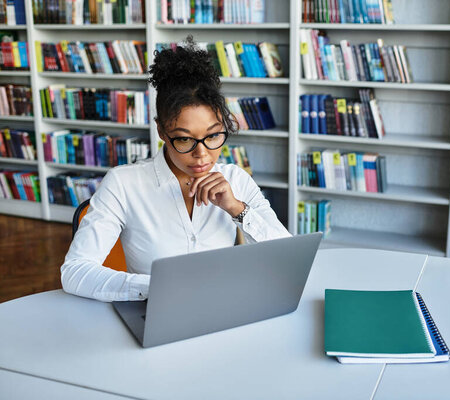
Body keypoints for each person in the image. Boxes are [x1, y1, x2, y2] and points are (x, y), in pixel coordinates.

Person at [60, 37, 291, 302]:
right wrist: (160, 288)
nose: (202, 154)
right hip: (152, 310)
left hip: (223, 309)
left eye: (213, 136)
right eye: (184, 139)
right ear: (162, 131)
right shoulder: (123, 184)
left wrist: (237, 209)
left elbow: (287, 259)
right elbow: (75, 272)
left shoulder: (235, 179)